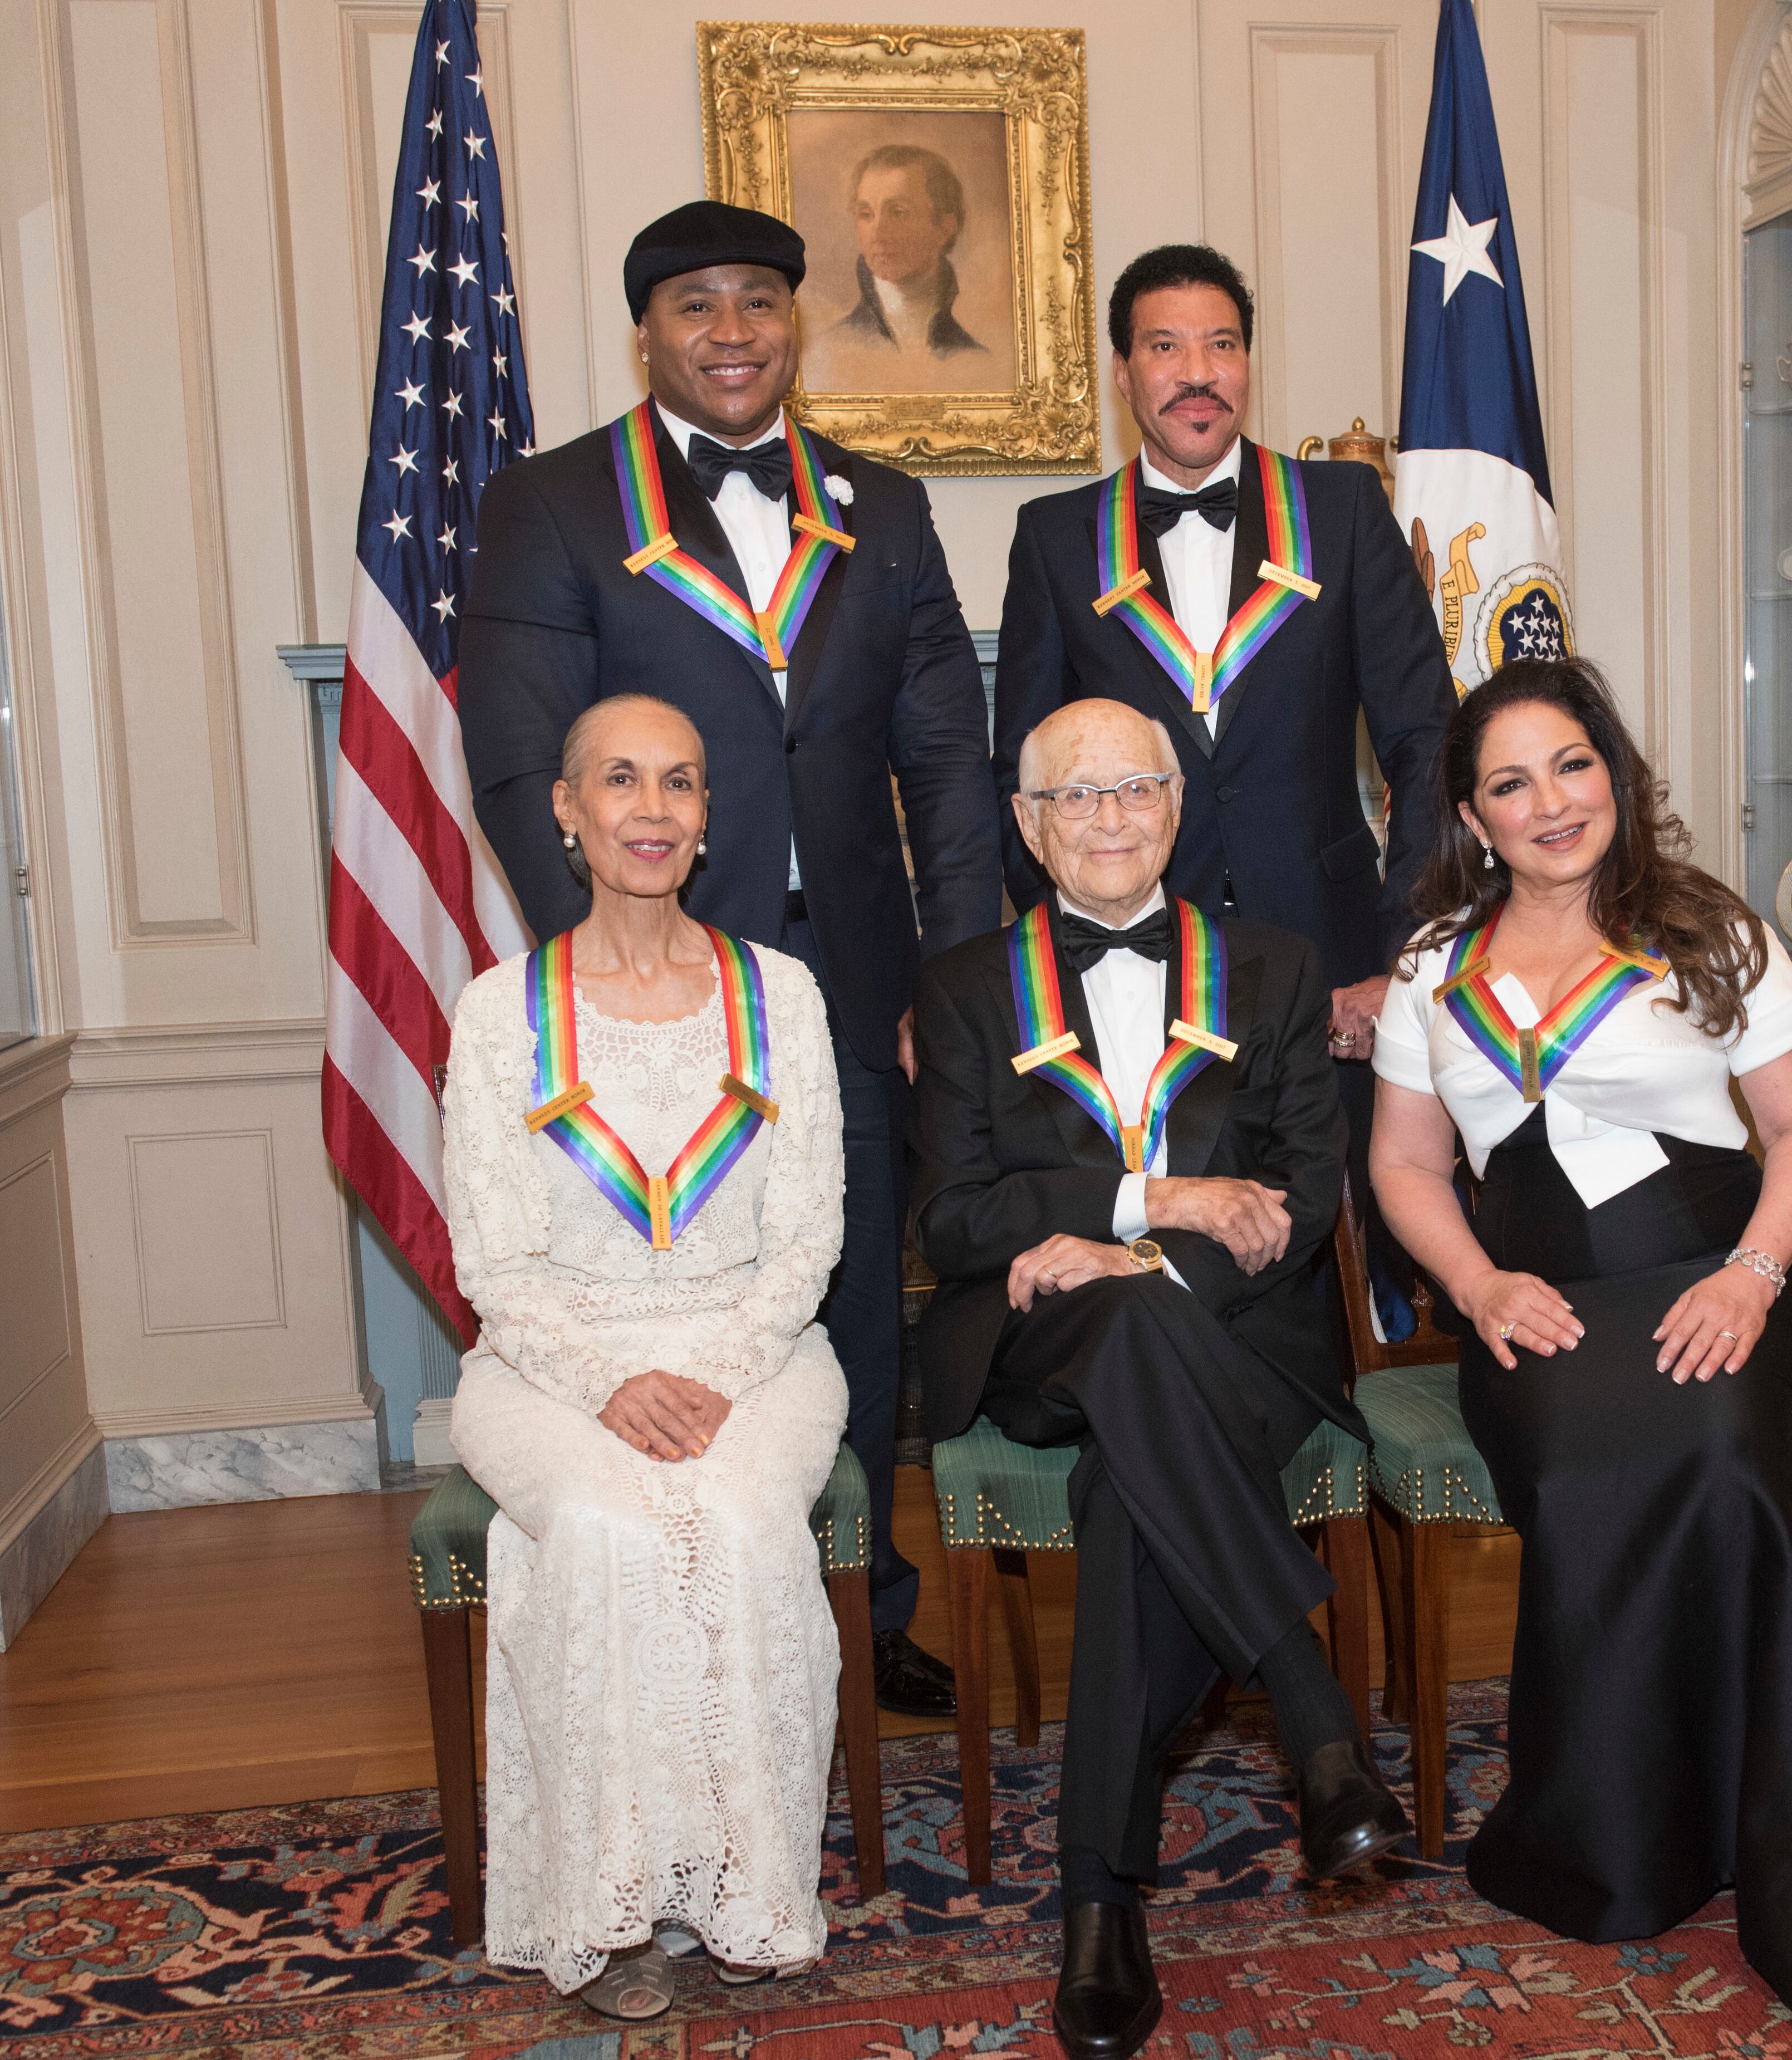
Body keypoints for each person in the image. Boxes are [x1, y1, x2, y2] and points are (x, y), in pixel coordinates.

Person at [1368, 658, 1792, 2021]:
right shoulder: (1429, 969)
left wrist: (1751, 1278)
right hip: (1537, 1299)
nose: (1549, 801)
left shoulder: (1711, 932)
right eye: (1510, 782)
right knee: (1581, 1476)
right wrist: (1477, 1286)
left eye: (1570, 765)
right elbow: (1404, 1164)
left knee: (1722, 1465)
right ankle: (1620, 1833)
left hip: (1710, 1265)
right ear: (1471, 815)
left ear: (1612, 774)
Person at [460, 199, 1001, 1718]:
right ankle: (667, 1585)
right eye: (697, 305)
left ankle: (862, 1591)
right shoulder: (555, 501)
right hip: (655, 987)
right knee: (666, 1275)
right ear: (649, 331)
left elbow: (948, 759)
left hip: (857, 979)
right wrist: (602, 983)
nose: (733, 331)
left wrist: (949, 986)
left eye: (759, 301)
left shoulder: (881, 509)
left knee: (850, 1287)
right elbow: (519, 763)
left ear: (795, 320)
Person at [910, 698, 1410, 2060]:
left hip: (1232, 1338)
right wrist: (1152, 1197)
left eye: (1135, 787)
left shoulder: (1278, 965)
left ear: (1177, 806)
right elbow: (950, 1219)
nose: (1110, 818)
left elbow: (1308, 1198)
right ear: (1026, 826)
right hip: (1036, 1347)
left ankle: (1097, 1900)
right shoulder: (962, 986)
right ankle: (1310, 1712)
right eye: (1074, 797)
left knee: (1142, 1468)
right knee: (1125, 1343)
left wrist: (1135, 1259)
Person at [445, 695, 849, 2016]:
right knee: (615, 1530)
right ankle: (611, 1908)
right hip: (550, 1361)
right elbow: (494, 1268)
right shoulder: (501, 1012)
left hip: (760, 1346)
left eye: (678, 781)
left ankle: (745, 1885)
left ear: (704, 812)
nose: (651, 809)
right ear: (566, 810)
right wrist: (607, 1380)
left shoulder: (778, 991)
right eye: (618, 781)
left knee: (732, 1522)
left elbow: (809, 1240)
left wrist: (720, 1372)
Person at [991, 242, 1457, 1335]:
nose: (1197, 371)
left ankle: (1356, 1493)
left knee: (1357, 1277)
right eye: (1165, 346)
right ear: (1124, 373)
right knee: (1172, 1280)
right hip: (1137, 983)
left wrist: (1400, 958)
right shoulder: (1057, 541)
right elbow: (1018, 780)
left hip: (1338, 971)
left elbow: (1428, 742)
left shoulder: (1342, 510)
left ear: (1249, 362)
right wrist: (1048, 980)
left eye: (1222, 344)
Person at [834, 144, 987, 358]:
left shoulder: (974, 358)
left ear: (945, 227)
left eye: (898, 213)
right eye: (866, 214)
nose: (877, 233)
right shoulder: (834, 346)